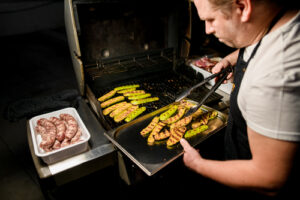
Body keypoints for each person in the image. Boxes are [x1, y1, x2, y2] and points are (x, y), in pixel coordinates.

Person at [180, 0, 300, 198]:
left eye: (211, 19)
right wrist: (231, 59)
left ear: (243, 7)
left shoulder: (272, 78)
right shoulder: (284, 17)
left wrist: (198, 165)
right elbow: (262, 38)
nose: (207, 30)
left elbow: (270, 178)